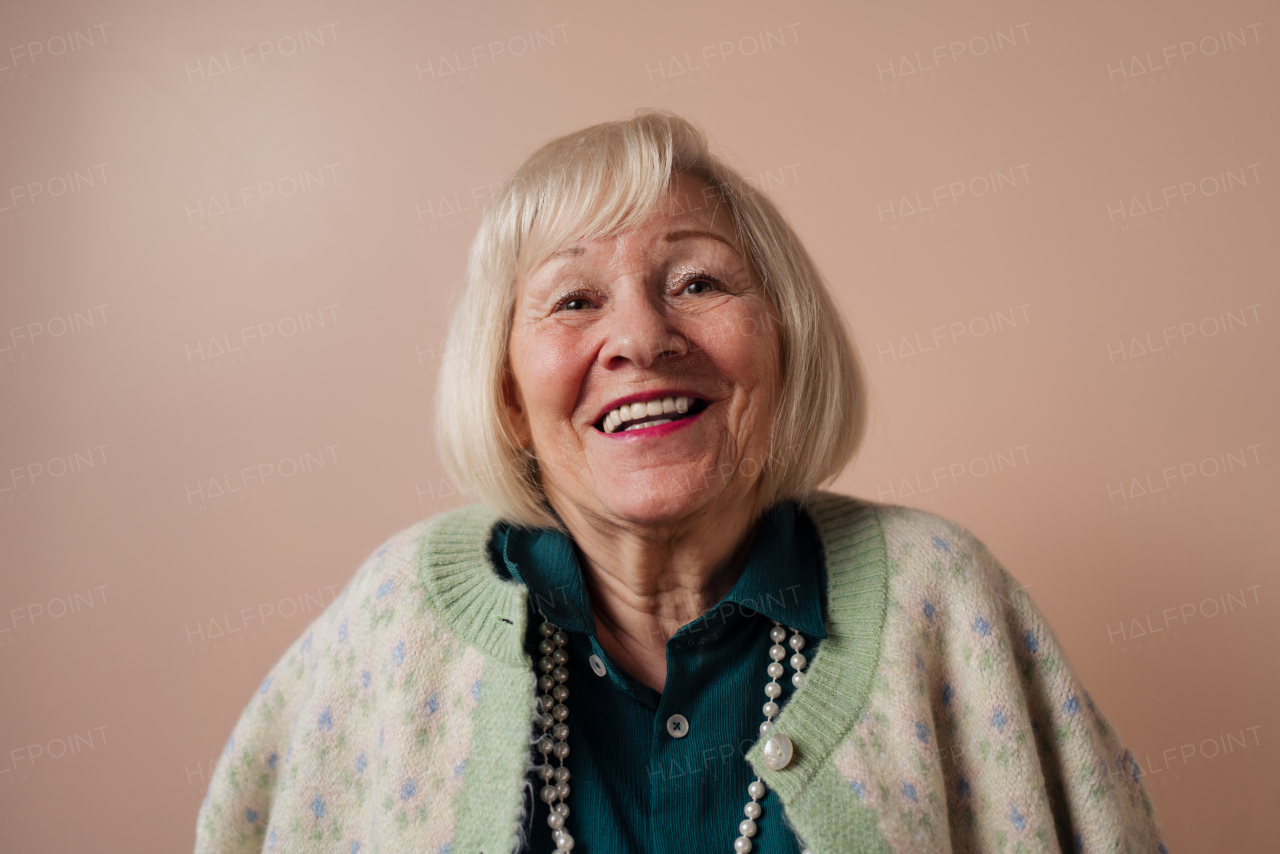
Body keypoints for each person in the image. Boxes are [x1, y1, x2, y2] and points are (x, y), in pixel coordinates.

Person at [194, 111, 1165, 854]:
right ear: (503, 388)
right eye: (573, 299)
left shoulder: (941, 596)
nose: (643, 338)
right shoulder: (388, 623)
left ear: (782, 341)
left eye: (698, 281)